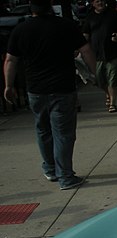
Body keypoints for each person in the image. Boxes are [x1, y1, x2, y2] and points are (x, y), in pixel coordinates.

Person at [3, 0, 96, 190]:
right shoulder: (66, 26)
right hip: (62, 87)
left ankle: (51, 169)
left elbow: (11, 60)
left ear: (32, 9)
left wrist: (8, 86)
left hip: (35, 89)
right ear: (50, 7)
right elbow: (86, 50)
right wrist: (94, 73)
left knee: (42, 129)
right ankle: (66, 176)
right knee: (63, 133)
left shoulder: (21, 30)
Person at [82, 0, 117, 113]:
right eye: (97, 1)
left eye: (102, 0)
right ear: (93, 4)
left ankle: (112, 103)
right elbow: (85, 35)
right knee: (99, 80)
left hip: (112, 53)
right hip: (96, 55)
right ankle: (108, 93)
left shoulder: (113, 14)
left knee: (112, 79)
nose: (100, 3)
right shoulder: (90, 17)